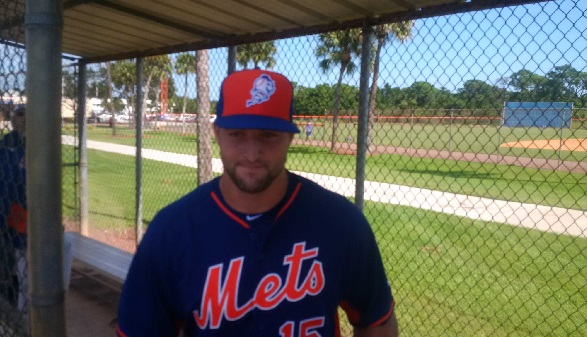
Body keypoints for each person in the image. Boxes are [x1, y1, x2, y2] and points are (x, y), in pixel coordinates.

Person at [117, 69, 397, 337]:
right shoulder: (171, 232)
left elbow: (376, 321)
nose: (252, 153)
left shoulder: (341, 224)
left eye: (268, 135)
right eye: (237, 135)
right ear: (217, 134)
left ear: (289, 137)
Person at [0, 106, 27, 313]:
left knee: (22, 258)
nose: (19, 118)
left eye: (24, 115)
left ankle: (22, 307)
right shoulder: (7, 143)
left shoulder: (37, 143)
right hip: (7, 207)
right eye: (18, 115)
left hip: (23, 210)